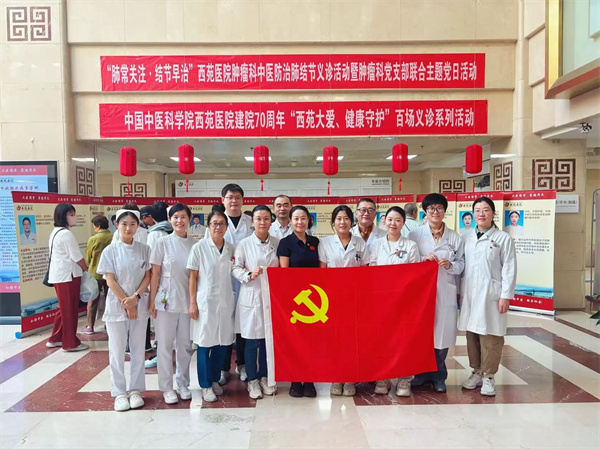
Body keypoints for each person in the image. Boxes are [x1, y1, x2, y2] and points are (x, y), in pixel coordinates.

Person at [460, 197, 516, 396]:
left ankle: (489, 376)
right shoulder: (466, 237)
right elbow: (462, 265)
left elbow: (509, 268)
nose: (481, 214)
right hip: (470, 293)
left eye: (485, 210)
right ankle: (476, 371)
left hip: (491, 294)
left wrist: (505, 296)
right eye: (477, 210)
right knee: (472, 334)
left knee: (491, 335)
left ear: (493, 213)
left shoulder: (502, 238)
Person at [96, 209, 152, 412]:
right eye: (124, 224)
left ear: (138, 226)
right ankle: (119, 393)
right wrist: (126, 302)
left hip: (139, 303)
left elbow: (148, 276)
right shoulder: (110, 251)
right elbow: (110, 280)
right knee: (117, 350)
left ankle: (136, 390)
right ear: (117, 225)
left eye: (132, 224)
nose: (128, 228)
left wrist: (135, 298)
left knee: (138, 349)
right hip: (117, 305)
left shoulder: (144, 249)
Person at [408, 193, 464, 393]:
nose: (435, 212)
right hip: (421, 292)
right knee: (422, 333)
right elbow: (409, 262)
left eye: (439, 208)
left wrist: (450, 265)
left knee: (442, 335)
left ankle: (439, 376)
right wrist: (423, 260)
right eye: (431, 208)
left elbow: (461, 264)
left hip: (445, 290)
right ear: (425, 211)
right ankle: (420, 374)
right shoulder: (415, 235)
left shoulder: (455, 238)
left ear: (445, 211)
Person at [318, 205, 370, 397]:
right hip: (332, 298)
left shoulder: (360, 243)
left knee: (352, 339)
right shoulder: (325, 243)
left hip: (354, 298)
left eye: (346, 218)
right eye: (339, 218)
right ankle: (336, 377)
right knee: (335, 339)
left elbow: (365, 271)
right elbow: (322, 272)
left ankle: (350, 378)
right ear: (333, 222)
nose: (342, 222)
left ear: (351, 221)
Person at [187, 204, 236, 402]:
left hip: (225, 302)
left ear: (226, 227)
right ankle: (205, 385)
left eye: (222, 224)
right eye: (214, 223)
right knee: (204, 344)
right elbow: (192, 277)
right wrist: (192, 303)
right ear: (208, 226)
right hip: (205, 303)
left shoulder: (230, 248)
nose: (218, 227)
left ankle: (215, 379)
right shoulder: (199, 248)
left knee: (222, 344)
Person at [370, 206, 420, 397]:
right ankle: (382, 377)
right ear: (384, 221)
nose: (393, 223)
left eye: (398, 220)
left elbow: (414, 274)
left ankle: (404, 379)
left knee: (404, 341)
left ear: (403, 223)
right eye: (390, 219)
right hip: (381, 300)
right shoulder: (376, 244)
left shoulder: (411, 245)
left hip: (403, 301)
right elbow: (371, 270)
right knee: (382, 340)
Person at [149, 203, 196, 404]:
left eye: (183, 217)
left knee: (185, 346)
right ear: (169, 219)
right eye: (175, 217)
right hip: (165, 300)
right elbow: (155, 274)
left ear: (189, 219)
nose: (179, 221)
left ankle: (183, 383)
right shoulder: (162, 243)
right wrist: (151, 301)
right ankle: (167, 387)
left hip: (187, 301)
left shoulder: (195, 244)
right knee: (165, 346)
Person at [207, 184, 254, 385]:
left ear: (243, 200)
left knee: (244, 325)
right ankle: (223, 367)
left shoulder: (251, 222)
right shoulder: (216, 222)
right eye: (229, 197)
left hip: (246, 281)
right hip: (222, 282)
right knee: (224, 325)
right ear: (223, 200)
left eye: (237, 197)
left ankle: (242, 364)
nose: (233, 201)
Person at [233, 205, 280, 399]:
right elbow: (235, 268)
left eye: (266, 218)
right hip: (251, 296)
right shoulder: (244, 244)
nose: (262, 222)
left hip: (271, 299)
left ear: (271, 221)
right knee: (252, 342)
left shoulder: (277, 243)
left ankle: (265, 377)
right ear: (252, 222)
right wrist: (249, 274)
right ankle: (252, 380)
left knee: (268, 341)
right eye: (258, 219)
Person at [277, 205, 320, 398]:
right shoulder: (285, 243)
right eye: (296, 218)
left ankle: (310, 379)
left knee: (311, 341)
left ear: (308, 220)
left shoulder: (315, 242)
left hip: (314, 298)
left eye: (303, 218)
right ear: (290, 221)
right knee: (294, 340)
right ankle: (295, 379)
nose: (300, 222)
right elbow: (284, 274)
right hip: (294, 299)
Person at [45, 204, 89, 352]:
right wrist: (86, 268)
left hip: (61, 276)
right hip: (68, 276)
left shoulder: (56, 232)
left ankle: (56, 338)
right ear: (63, 216)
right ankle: (70, 343)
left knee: (63, 309)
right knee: (69, 309)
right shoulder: (66, 234)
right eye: (71, 214)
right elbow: (76, 256)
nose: (73, 217)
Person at [144, 201, 174, 368]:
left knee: (160, 325)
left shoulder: (154, 234)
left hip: (160, 283)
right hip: (173, 283)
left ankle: (160, 355)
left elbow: (152, 263)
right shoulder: (172, 230)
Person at [81, 215, 113, 334]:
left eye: (94, 226)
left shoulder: (93, 239)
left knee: (93, 300)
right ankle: (109, 323)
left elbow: (88, 256)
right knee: (111, 298)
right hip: (111, 273)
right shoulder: (113, 236)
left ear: (98, 226)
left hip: (96, 273)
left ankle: (90, 326)